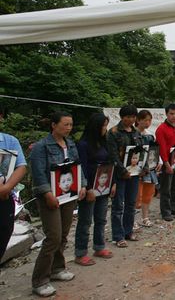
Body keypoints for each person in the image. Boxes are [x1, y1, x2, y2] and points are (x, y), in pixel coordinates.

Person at [30, 112, 87, 297]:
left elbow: (77, 166)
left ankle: (57, 268)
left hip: (68, 194)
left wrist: (82, 184)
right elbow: (38, 173)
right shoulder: (41, 147)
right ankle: (40, 279)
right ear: (53, 125)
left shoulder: (70, 144)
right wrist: (47, 193)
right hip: (50, 196)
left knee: (63, 234)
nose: (69, 128)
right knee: (52, 236)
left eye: (71, 125)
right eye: (65, 124)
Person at [74, 113, 114, 267]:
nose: (105, 128)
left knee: (101, 218)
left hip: (103, 185)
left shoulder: (104, 142)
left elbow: (110, 163)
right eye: (103, 125)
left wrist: (113, 183)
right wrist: (88, 187)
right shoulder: (83, 145)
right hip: (90, 187)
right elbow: (82, 167)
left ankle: (99, 246)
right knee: (85, 220)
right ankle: (80, 252)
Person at [107, 105, 143, 246]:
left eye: (133, 117)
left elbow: (141, 152)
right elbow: (113, 155)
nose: (130, 119)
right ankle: (118, 235)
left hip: (134, 174)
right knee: (117, 205)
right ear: (122, 117)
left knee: (131, 203)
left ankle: (128, 231)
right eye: (128, 117)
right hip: (119, 174)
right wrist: (123, 171)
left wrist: (142, 168)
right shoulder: (114, 132)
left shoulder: (136, 133)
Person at [155, 103, 175, 221]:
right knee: (166, 188)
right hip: (167, 162)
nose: (173, 116)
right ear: (166, 114)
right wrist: (166, 164)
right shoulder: (161, 129)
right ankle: (166, 211)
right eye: (171, 114)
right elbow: (162, 149)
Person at [0, 131, 27, 264]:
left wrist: (6, 187)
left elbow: (21, 167)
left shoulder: (10, 141)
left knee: (3, 234)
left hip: (4, 198)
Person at [135, 110, 161, 228]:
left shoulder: (150, 135)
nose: (147, 122)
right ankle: (133, 219)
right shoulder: (133, 134)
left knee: (148, 193)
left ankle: (145, 217)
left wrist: (158, 161)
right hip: (137, 168)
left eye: (149, 120)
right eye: (145, 120)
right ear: (138, 120)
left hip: (150, 168)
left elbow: (154, 150)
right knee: (136, 194)